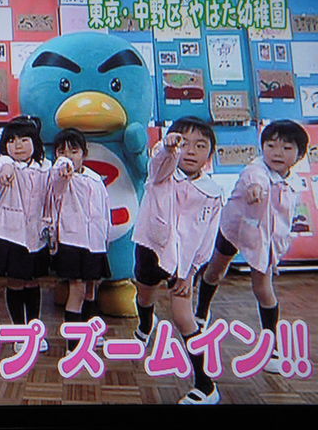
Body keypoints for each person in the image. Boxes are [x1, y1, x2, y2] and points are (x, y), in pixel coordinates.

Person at [195, 119, 309, 374]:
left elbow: (283, 220)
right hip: (235, 227)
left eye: (287, 148)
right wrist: (255, 189)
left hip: (263, 239)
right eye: (271, 146)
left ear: (300, 155)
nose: (277, 153)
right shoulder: (255, 170)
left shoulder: (294, 182)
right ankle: (201, 313)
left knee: (263, 288)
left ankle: (271, 345)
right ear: (262, 147)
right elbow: (253, 180)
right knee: (215, 271)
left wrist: (276, 252)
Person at [131, 116, 222, 404]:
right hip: (151, 247)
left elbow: (207, 238)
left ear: (210, 154)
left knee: (184, 317)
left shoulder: (213, 193)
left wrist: (191, 272)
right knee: (145, 296)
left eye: (200, 145)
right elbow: (159, 162)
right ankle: (145, 325)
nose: (191, 151)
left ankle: (206, 385)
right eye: (184, 143)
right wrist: (168, 148)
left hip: (184, 262)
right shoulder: (162, 173)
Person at [0, 116, 51, 352]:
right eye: (12, 140)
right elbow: (1, 165)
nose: (18, 145)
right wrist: (6, 166)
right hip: (9, 234)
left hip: (36, 234)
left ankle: (34, 329)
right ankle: (19, 332)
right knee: (15, 282)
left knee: (33, 282)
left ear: (35, 142)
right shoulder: (6, 164)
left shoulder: (45, 167)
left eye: (24, 140)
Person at [49, 128, 111, 354]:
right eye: (62, 152)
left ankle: (90, 332)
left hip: (95, 242)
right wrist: (61, 169)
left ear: (84, 153)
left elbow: (105, 212)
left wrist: (105, 238)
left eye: (73, 151)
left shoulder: (95, 179)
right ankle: (72, 345)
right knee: (76, 290)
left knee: (91, 289)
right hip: (72, 242)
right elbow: (56, 184)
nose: (68, 156)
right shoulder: (60, 178)